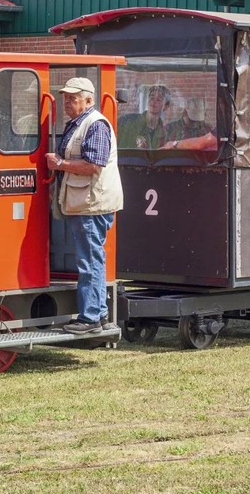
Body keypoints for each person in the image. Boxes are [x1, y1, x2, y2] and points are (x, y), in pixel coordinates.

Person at [45, 77, 124, 335]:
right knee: (93, 259)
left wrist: (60, 165)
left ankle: (90, 317)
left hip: (92, 204)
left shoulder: (95, 125)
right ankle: (99, 315)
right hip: (85, 202)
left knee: (89, 261)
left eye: (73, 98)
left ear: (88, 100)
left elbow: (94, 165)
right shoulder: (80, 123)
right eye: (65, 98)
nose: (67, 102)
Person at [117, 84, 170, 149]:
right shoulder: (127, 123)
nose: (153, 101)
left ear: (166, 106)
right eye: (152, 97)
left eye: (159, 99)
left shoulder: (165, 134)